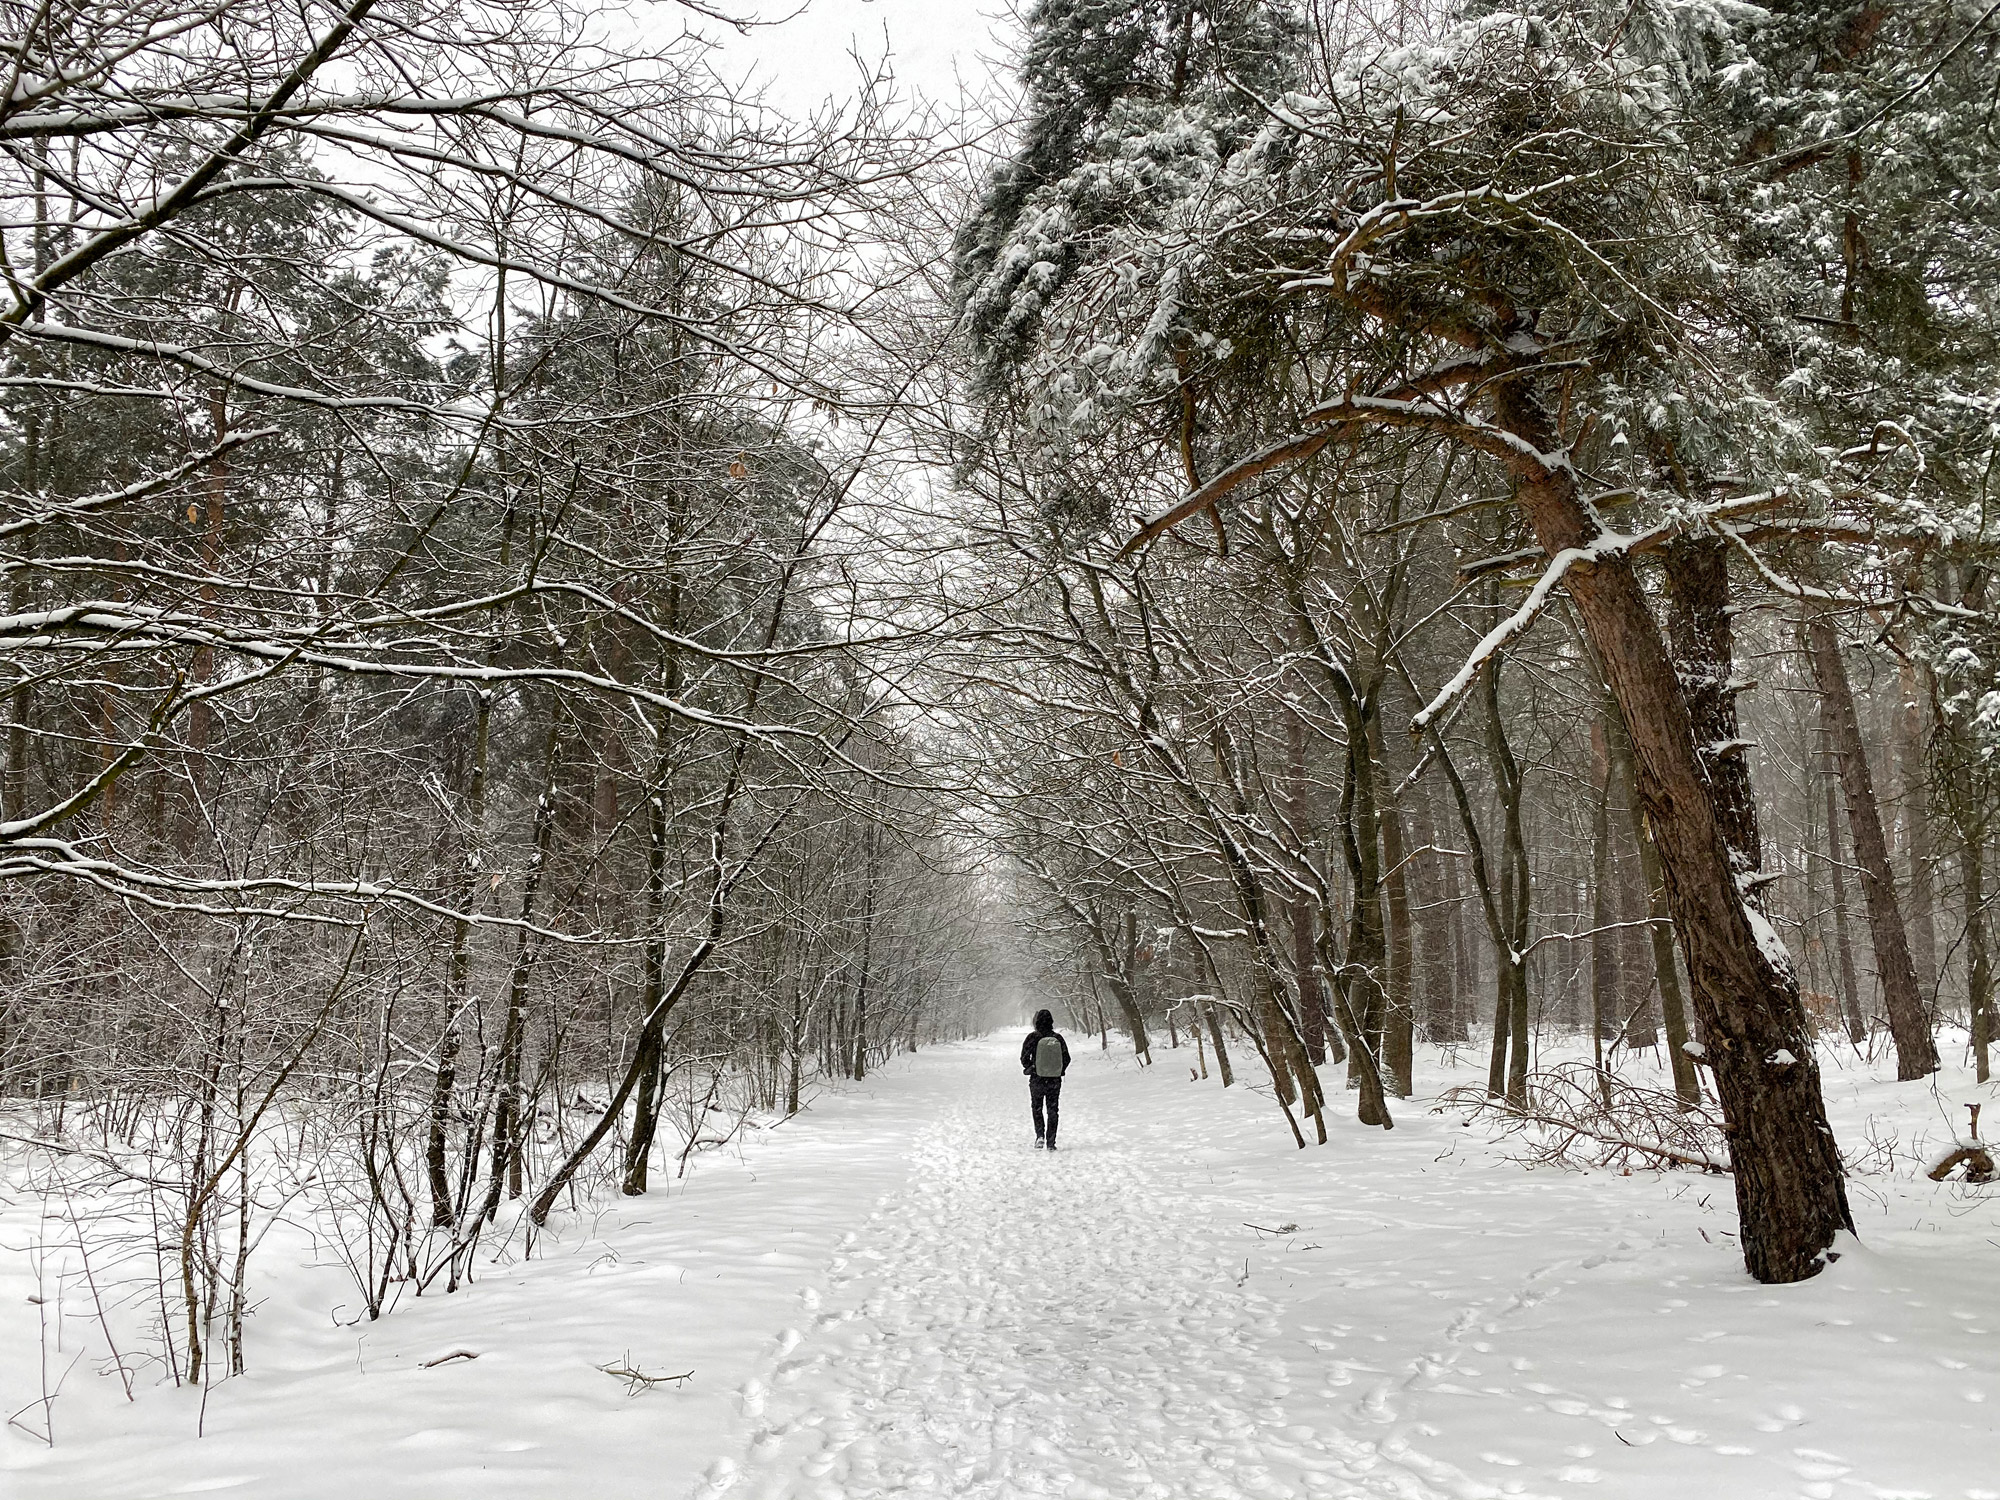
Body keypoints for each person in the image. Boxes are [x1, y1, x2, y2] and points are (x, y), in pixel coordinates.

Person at [1019, 1008, 1071, 1150]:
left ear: (1036, 1022)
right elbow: (1066, 1058)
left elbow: (1024, 1058)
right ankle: (1051, 1142)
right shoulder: (1058, 1038)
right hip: (1054, 1081)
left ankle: (1040, 1136)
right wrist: (1059, 1071)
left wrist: (1031, 1068)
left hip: (1037, 1079)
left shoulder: (1032, 1038)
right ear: (1051, 1021)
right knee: (1053, 1110)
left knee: (1037, 1107)